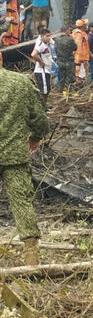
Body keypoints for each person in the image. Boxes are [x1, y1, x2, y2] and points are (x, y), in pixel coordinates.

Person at [0, 58, 49, 266]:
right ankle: (31, 254)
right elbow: (39, 118)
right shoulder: (20, 82)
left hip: (14, 154)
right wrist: (35, 137)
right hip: (14, 155)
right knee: (22, 202)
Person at [30, 29, 54, 102]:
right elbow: (33, 54)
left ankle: (44, 104)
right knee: (44, 90)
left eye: (49, 36)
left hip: (47, 69)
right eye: (47, 36)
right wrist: (40, 61)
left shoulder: (47, 42)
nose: (49, 38)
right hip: (42, 71)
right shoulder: (40, 44)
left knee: (47, 89)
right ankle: (43, 105)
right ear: (42, 36)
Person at [52, 27, 76, 97]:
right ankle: (69, 93)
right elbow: (75, 48)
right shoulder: (70, 39)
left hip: (60, 61)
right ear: (66, 31)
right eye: (69, 30)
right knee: (70, 78)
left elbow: (55, 49)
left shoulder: (56, 40)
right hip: (69, 61)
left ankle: (60, 93)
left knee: (61, 78)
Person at [71, 19, 91, 83]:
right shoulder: (78, 34)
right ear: (83, 26)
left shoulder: (83, 33)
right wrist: (79, 59)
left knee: (83, 75)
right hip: (79, 58)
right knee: (79, 76)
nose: (86, 25)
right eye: (85, 24)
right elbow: (78, 47)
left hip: (83, 58)